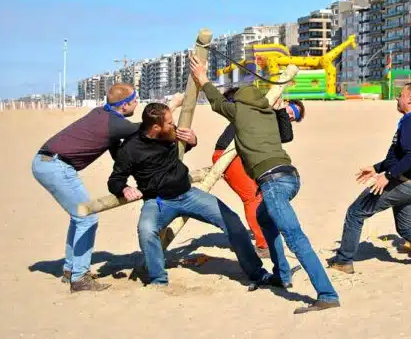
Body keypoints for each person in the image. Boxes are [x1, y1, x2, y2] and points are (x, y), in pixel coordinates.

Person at [190, 55, 339, 315]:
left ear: (239, 101)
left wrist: (202, 77)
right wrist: (280, 109)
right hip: (289, 176)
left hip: (273, 182)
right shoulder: (268, 113)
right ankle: (281, 275)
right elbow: (285, 133)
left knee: (295, 238)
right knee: (263, 217)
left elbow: (216, 101)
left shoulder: (239, 112)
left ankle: (327, 294)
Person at [107, 103, 273, 287]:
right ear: (155, 128)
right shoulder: (130, 149)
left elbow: (182, 147)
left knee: (232, 221)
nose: (173, 125)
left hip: (188, 195)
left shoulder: (169, 133)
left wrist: (193, 140)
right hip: (158, 202)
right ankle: (158, 280)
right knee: (146, 231)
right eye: (169, 123)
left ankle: (256, 272)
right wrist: (124, 189)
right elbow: (115, 180)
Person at [327, 83, 411, 274]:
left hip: (401, 184)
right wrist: (376, 168)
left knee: (355, 213)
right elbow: (399, 157)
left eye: (400, 95)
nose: (397, 98)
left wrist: (387, 176)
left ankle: (343, 261)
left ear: (410, 99)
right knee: (405, 227)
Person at [32, 84, 142, 292]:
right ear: (125, 105)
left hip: (46, 162)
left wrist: (124, 183)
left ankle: (70, 270)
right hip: (56, 166)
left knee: (79, 217)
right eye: (135, 100)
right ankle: (80, 278)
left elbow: (118, 154)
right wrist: (173, 105)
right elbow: (146, 128)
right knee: (87, 217)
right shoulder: (114, 124)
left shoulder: (101, 114)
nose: (137, 102)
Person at [212, 87, 306, 257]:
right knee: (252, 198)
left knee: (262, 196)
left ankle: (267, 238)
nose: (291, 116)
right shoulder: (261, 108)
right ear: (285, 102)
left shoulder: (274, 120)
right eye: (292, 110)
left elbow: (286, 136)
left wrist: (282, 112)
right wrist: (278, 108)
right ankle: (263, 245)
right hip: (228, 153)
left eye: (295, 117)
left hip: (243, 156)